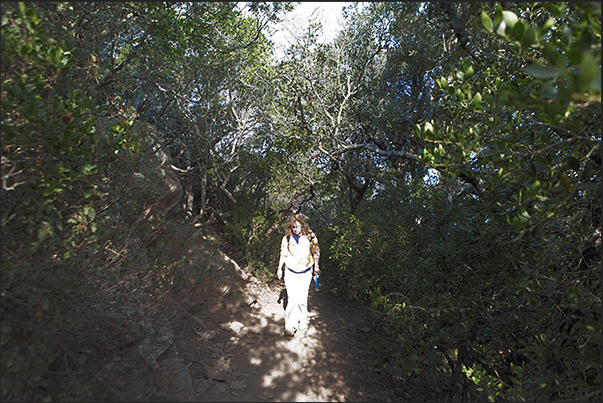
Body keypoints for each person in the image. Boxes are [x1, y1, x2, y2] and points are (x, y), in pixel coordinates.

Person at [277, 214, 320, 336]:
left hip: (306, 272)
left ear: (302, 225)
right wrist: (280, 268)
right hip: (290, 272)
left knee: (302, 297)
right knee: (292, 298)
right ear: (290, 227)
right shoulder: (286, 238)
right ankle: (290, 326)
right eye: (293, 227)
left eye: (298, 227)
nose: (296, 229)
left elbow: (316, 251)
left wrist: (316, 267)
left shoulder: (310, 236)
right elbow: (283, 254)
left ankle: (303, 320)